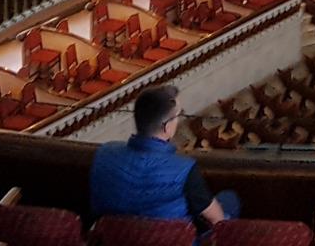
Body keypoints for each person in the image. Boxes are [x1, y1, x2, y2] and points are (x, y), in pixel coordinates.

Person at [89, 84, 238, 230]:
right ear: (167, 127)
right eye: (179, 115)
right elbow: (217, 220)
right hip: (168, 240)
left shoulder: (104, 153)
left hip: (115, 239)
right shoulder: (183, 169)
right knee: (230, 200)